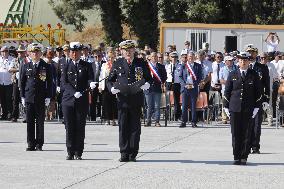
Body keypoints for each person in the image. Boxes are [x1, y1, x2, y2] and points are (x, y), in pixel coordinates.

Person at [107, 40, 152, 162]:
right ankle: (124, 153)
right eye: (125, 50)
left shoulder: (140, 62)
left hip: (136, 98)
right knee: (123, 126)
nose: (128, 52)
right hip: (122, 99)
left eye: (130, 49)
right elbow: (110, 79)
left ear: (134, 50)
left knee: (135, 127)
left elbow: (149, 78)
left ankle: (133, 153)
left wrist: (147, 84)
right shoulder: (118, 63)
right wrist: (111, 88)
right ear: (121, 51)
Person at [223, 52, 262, 165]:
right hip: (234, 108)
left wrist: (256, 108)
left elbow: (259, 93)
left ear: (249, 61)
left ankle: (244, 156)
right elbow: (227, 92)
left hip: (248, 109)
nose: (243, 62)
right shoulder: (233, 74)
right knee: (235, 133)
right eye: (241, 60)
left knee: (246, 133)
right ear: (238, 62)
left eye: (245, 60)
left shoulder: (253, 74)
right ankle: (236, 156)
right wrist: (226, 106)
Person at [61, 42, 96, 160]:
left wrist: (91, 83)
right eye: (72, 52)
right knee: (69, 126)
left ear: (80, 52)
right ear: (69, 53)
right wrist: (73, 92)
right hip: (68, 100)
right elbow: (64, 83)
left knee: (80, 126)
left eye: (76, 51)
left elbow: (90, 78)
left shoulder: (87, 65)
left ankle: (78, 152)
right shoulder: (66, 66)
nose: (74, 54)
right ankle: (70, 152)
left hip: (82, 100)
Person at [20, 43, 52, 151]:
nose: (35, 54)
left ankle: (39, 144)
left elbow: (48, 82)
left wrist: (48, 96)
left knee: (39, 122)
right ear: (29, 53)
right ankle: (30, 143)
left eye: (37, 52)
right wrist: (22, 97)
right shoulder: (26, 66)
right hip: (29, 97)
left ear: (41, 53)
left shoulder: (45, 66)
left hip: (40, 97)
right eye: (33, 52)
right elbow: (22, 82)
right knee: (29, 122)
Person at [246, 45, 270, 154]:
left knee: (256, 124)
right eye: (249, 52)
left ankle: (255, 147)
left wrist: (266, 100)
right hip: (245, 100)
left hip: (258, 99)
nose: (250, 54)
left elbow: (266, 84)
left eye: (252, 52)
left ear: (256, 54)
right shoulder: (243, 66)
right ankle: (246, 145)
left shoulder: (262, 67)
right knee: (246, 124)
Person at [179, 51, 202, 128]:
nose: (190, 58)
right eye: (189, 57)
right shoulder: (183, 66)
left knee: (193, 106)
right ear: (187, 58)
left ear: (194, 57)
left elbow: (199, 77)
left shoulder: (198, 66)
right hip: (185, 89)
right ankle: (183, 122)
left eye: (192, 57)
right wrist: (185, 85)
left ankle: (193, 122)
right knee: (184, 106)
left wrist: (193, 85)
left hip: (193, 88)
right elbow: (180, 77)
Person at [145, 52, 167, 127]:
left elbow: (164, 77)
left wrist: (161, 81)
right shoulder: (146, 66)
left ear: (157, 58)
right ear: (150, 58)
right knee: (149, 106)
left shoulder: (161, 66)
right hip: (148, 89)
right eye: (153, 56)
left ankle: (157, 121)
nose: (154, 58)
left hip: (157, 88)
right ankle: (148, 121)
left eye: (155, 56)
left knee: (157, 106)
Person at [98, 47, 117, 126]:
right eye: (109, 57)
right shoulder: (104, 64)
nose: (110, 58)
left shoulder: (117, 64)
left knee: (113, 103)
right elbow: (101, 76)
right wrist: (100, 86)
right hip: (105, 85)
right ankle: (107, 119)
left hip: (114, 84)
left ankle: (113, 119)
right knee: (105, 103)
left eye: (112, 57)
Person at [259, 52, 278, 126]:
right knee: (259, 104)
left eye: (264, 58)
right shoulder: (257, 66)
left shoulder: (271, 65)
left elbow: (275, 76)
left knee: (269, 104)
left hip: (268, 88)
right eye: (261, 58)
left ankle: (270, 120)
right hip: (259, 88)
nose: (263, 59)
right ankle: (260, 119)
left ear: (267, 58)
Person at [164, 51, 182, 121]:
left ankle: (177, 115)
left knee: (176, 100)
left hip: (177, 84)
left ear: (177, 58)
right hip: (169, 83)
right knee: (168, 100)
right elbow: (165, 76)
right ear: (170, 58)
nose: (174, 58)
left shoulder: (180, 66)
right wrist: (164, 85)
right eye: (172, 57)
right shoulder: (167, 66)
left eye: (175, 57)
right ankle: (168, 115)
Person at [219, 55, 237, 124]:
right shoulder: (222, 69)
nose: (231, 61)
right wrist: (229, 82)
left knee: (233, 103)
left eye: (232, 60)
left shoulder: (235, 68)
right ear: (225, 62)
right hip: (225, 89)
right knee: (225, 103)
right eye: (229, 60)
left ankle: (232, 117)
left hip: (234, 89)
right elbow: (221, 80)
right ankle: (224, 118)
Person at [0, 46, 15, 120]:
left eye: (6, 51)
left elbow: (11, 68)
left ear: (8, 52)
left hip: (8, 82)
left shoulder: (12, 59)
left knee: (8, 99)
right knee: (2, 99)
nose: (4, 53)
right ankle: (4, 114)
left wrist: (10, 69)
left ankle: (10, 114)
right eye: (3, 51)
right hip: (1, 83)